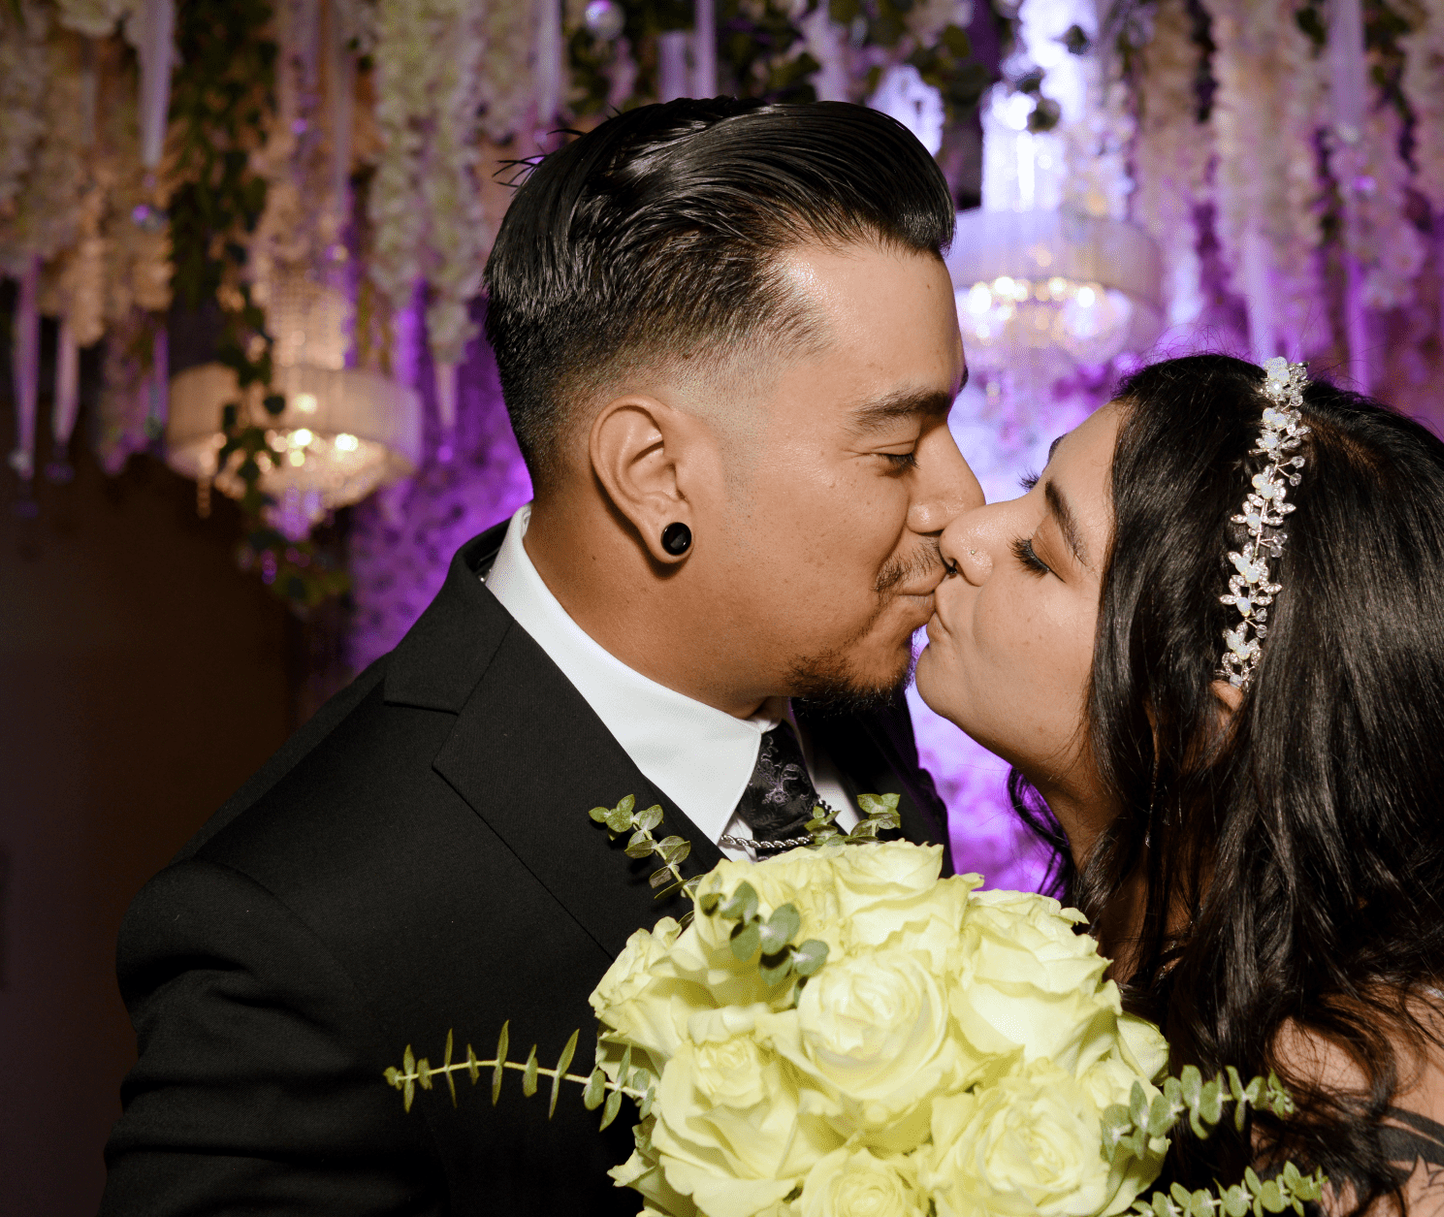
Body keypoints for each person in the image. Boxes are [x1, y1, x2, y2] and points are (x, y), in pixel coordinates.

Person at [102, 99, 983, 1216]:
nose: (960, 505)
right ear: (654, 473)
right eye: (899, 449)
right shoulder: (296, 934)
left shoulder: (851, 701)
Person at [915, 353, 1444, 1217]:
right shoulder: (1158, 970)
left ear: (1204, 719)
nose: (965, 533)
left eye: (1039, 552)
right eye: (1029, 482)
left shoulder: (1379, 1123)